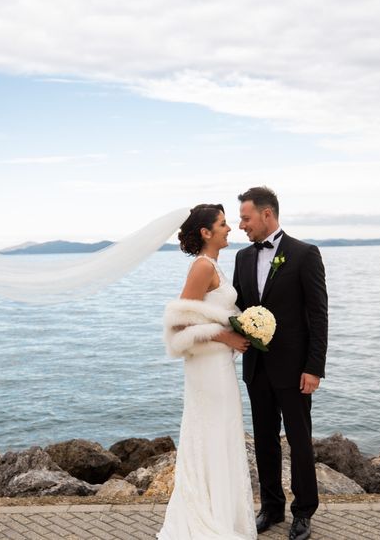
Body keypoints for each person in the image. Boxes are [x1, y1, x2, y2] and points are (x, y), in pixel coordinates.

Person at [232, 187, 328, 540]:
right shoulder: (242, 258)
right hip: (256, 368)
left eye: (246, 218)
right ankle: (271, 507)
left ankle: (303, 512)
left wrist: (314, 367)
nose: (242, 225)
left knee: (300, 442)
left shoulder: (304, 254)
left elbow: (318, 316)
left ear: (267, 214)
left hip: (295, 368)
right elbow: (239, 309)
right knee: (264, 441)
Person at [159, 204, 257, 540]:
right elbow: (180, 322)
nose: (229, 228)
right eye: (223, 223)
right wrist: (224, 335)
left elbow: (209, 313)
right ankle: (206, 518)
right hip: (208, 366)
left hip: (218, 363)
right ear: (206, 232)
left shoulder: (213, 265)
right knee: (213, 431)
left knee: (222, 432)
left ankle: (221, 513)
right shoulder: (202, 267)